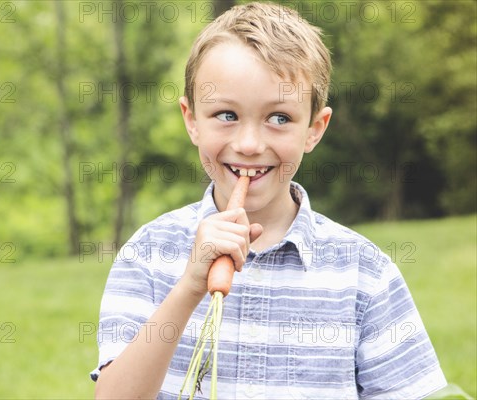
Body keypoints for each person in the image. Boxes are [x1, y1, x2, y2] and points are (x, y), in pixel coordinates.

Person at [91, 2, 447, 399]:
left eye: (279, 118)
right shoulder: (148, 253)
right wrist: (189, 287)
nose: (248, 144)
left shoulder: (365, 274)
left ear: (314, 129)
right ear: (191, 120)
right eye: (226, 114)